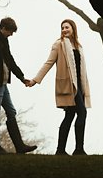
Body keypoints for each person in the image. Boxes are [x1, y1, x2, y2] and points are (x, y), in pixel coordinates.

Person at [31, 18, 92, 155]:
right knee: (82, 113)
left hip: (79, 85)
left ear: (73, 29)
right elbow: (49, 63)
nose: (64, 30)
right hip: (69, 86)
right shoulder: (59, 45)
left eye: (67, 27)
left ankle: (60, 150)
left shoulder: (78, 46)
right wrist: (36, 80)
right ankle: (79, 149)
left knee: (70, 115)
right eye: (62, 28)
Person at [0, 16, 37, 154]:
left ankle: (20, 147)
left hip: (4, 84)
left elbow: (10, 60)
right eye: (10, 31)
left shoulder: (3, 41)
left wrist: (22, 77)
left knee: (11, 112)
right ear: (3, 28)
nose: (11, 34)